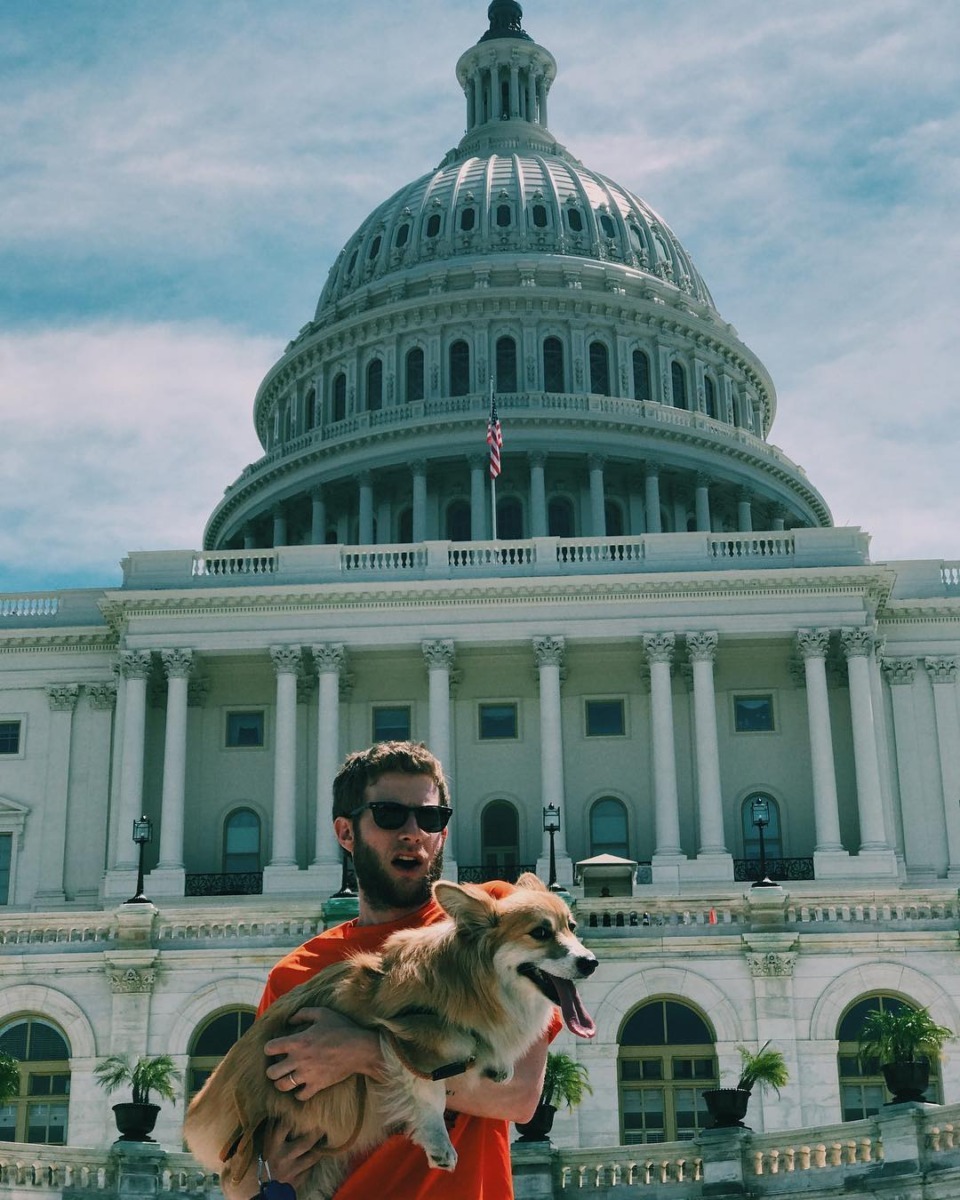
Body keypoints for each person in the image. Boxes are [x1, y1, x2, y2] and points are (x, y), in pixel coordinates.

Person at [220, 740, 552, 1200]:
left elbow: (518, 1096)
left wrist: (365, 1052)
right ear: (346, 832)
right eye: (390, 815)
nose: (413, 833)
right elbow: (238, 1161)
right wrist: (263, 1174)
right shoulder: (297, 976)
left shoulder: (493, 923)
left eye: (430, 818)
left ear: (442, 833)